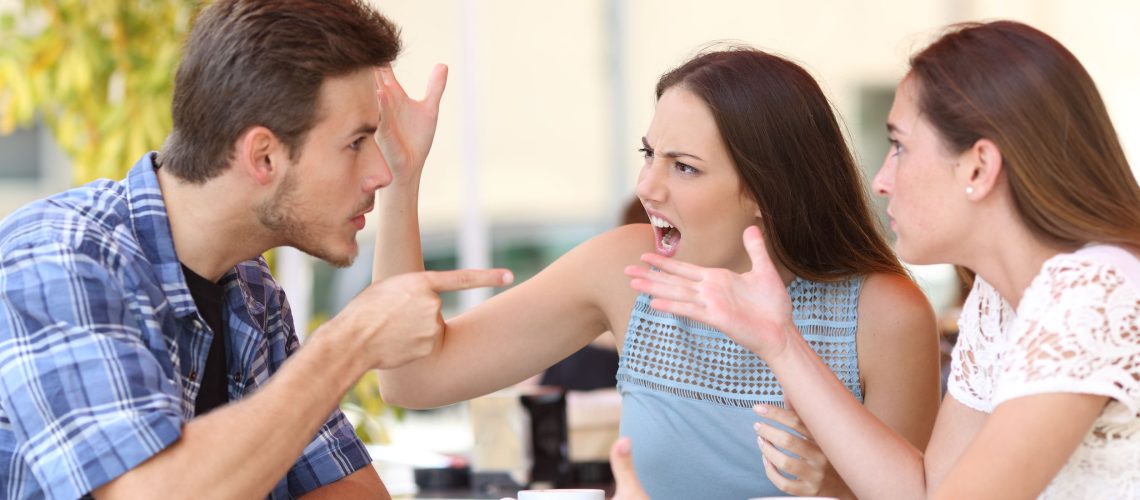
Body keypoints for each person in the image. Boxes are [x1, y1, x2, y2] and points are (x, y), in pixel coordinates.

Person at [371, 46, 942, 499]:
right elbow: (411, 381)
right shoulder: (627, 269)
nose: (647, 187)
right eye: (650, 155)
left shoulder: (884, 312)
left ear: (768, 190)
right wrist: (401, 180)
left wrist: (838, 488)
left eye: (684, 167)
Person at [0, 1, 510, 498]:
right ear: (263, 156)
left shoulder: (252, 291)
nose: (380, 173)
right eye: (356, 143)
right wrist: (350, 343)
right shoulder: (59, 258)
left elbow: (350, 491)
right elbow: (147, 490)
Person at [625, 21, 1140, 499]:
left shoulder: (1091, 291)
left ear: (979, 167)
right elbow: (924, 489)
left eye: (899, 146)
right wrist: (780, 341)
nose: (881, 180)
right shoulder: (997, 302)